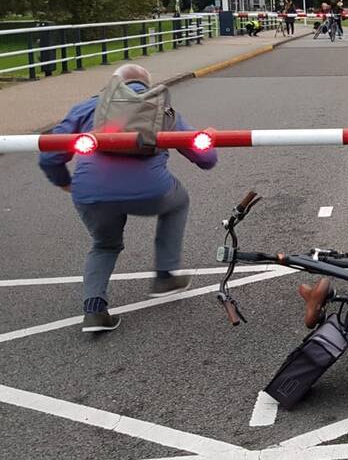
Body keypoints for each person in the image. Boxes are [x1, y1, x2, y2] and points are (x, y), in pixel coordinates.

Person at [38, 64, 218, 333]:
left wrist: (65, 183)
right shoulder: (160, 108)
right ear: (146, 84)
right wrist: (209, 140)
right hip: (150, 191)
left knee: (104, 245)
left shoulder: (86, 108)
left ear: (113, 84)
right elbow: (206, 159)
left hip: (91, 192)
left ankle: (94, 310)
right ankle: (166, 275)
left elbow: (49, 155)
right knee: (178, 200)